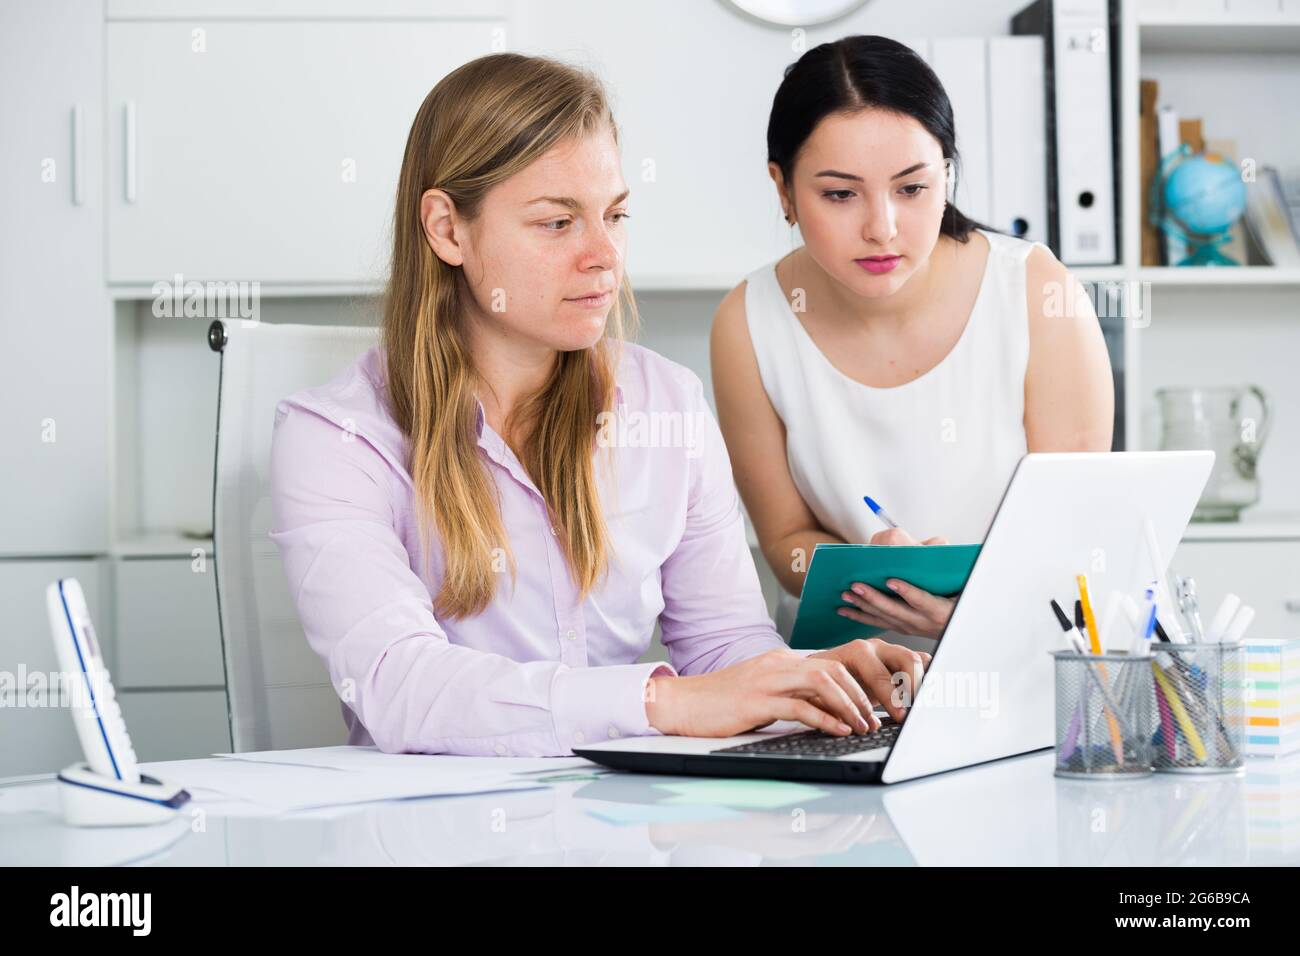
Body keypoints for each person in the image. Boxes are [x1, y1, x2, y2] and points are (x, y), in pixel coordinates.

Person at [268, 52, 930, 758]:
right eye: (558, 223)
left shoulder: (666, 404)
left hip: (624, 821)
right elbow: (401, 688)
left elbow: (722, 644)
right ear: (446, 229)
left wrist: (806, 683)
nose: (605, 255)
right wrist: (661, 702)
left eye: (614, 214)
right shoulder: (336, 439)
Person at [711, 36, 1114, 652]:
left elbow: (1075, 530)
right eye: (840, 194)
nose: (882, 229)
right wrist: (871, 573)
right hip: (841, 682)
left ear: (946, 175)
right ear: (783, 189)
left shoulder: (1036, 291)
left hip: (1026, 661)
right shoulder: (749, 322)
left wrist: (972, 614)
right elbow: (784, 540)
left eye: (912, 188)